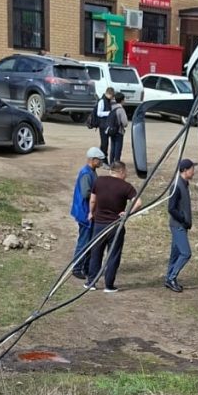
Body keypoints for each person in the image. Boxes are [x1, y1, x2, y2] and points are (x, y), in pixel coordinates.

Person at [86, 161, 142, 293]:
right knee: (113, 255)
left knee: (96, 253)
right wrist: (128, 213)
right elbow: (138, 202)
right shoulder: (126, 187)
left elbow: (93, 199)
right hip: (115, 226)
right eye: (126, 171)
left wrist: (90, 212)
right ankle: (109, 285)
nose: (127, 174)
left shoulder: (99, 181)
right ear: (121, 171)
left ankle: (91, 283)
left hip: (99, 224)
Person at [69, 146, 106, 280]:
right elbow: (86, 193)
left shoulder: (91, 171)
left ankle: (86, 267)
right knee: (84, 242)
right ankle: (77, 268)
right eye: (100, 160)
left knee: (88, 241)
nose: (101, 162)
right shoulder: (86, 174)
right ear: (93, 160)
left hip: (86, 212)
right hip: (85, 213)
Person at [165, 158, 197, 293]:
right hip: (178, 225)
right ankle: (172, 278)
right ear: (184, 170)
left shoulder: (184, 183)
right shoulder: (177, 186)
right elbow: (171, 208)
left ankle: (168, 278)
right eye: (191, 168)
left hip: (181, 225)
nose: (193, 171)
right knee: (185, 253)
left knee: (175, 253)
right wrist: (183, 219)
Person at [95, 87, 115, 166]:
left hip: (106, 125)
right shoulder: (102, 101)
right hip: (102, 125)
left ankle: (102, 158)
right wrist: (109, 113)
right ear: (108, 94)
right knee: (104, 143)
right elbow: (99, 113)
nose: (112, 98)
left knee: (105, 143)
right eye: (112, 96)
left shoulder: (108, 101)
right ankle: (104, 160)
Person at [107, 92, 129, 164]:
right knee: (118, 149)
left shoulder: (112, 107)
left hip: (111, 130)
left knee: (112, 148)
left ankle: (111, 163)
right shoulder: (121, 109)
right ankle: (117, 164)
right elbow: (125, 123)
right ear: (122, 100)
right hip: (119, 131)